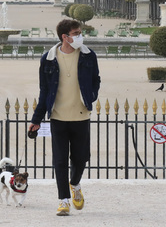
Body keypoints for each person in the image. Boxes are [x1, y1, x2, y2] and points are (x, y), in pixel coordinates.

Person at [29, 19, 101, 216]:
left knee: (81, 159)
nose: (80, 35)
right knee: (60, 161)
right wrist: (36, 120)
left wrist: (91, 95)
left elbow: (96, 80)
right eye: (76, 33)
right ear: (65, 37)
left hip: (81, 115)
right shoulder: (48, 58)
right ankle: (63, 201)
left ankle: (75, 184)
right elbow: (44, 91)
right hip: (58, 117)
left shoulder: (88, 55)